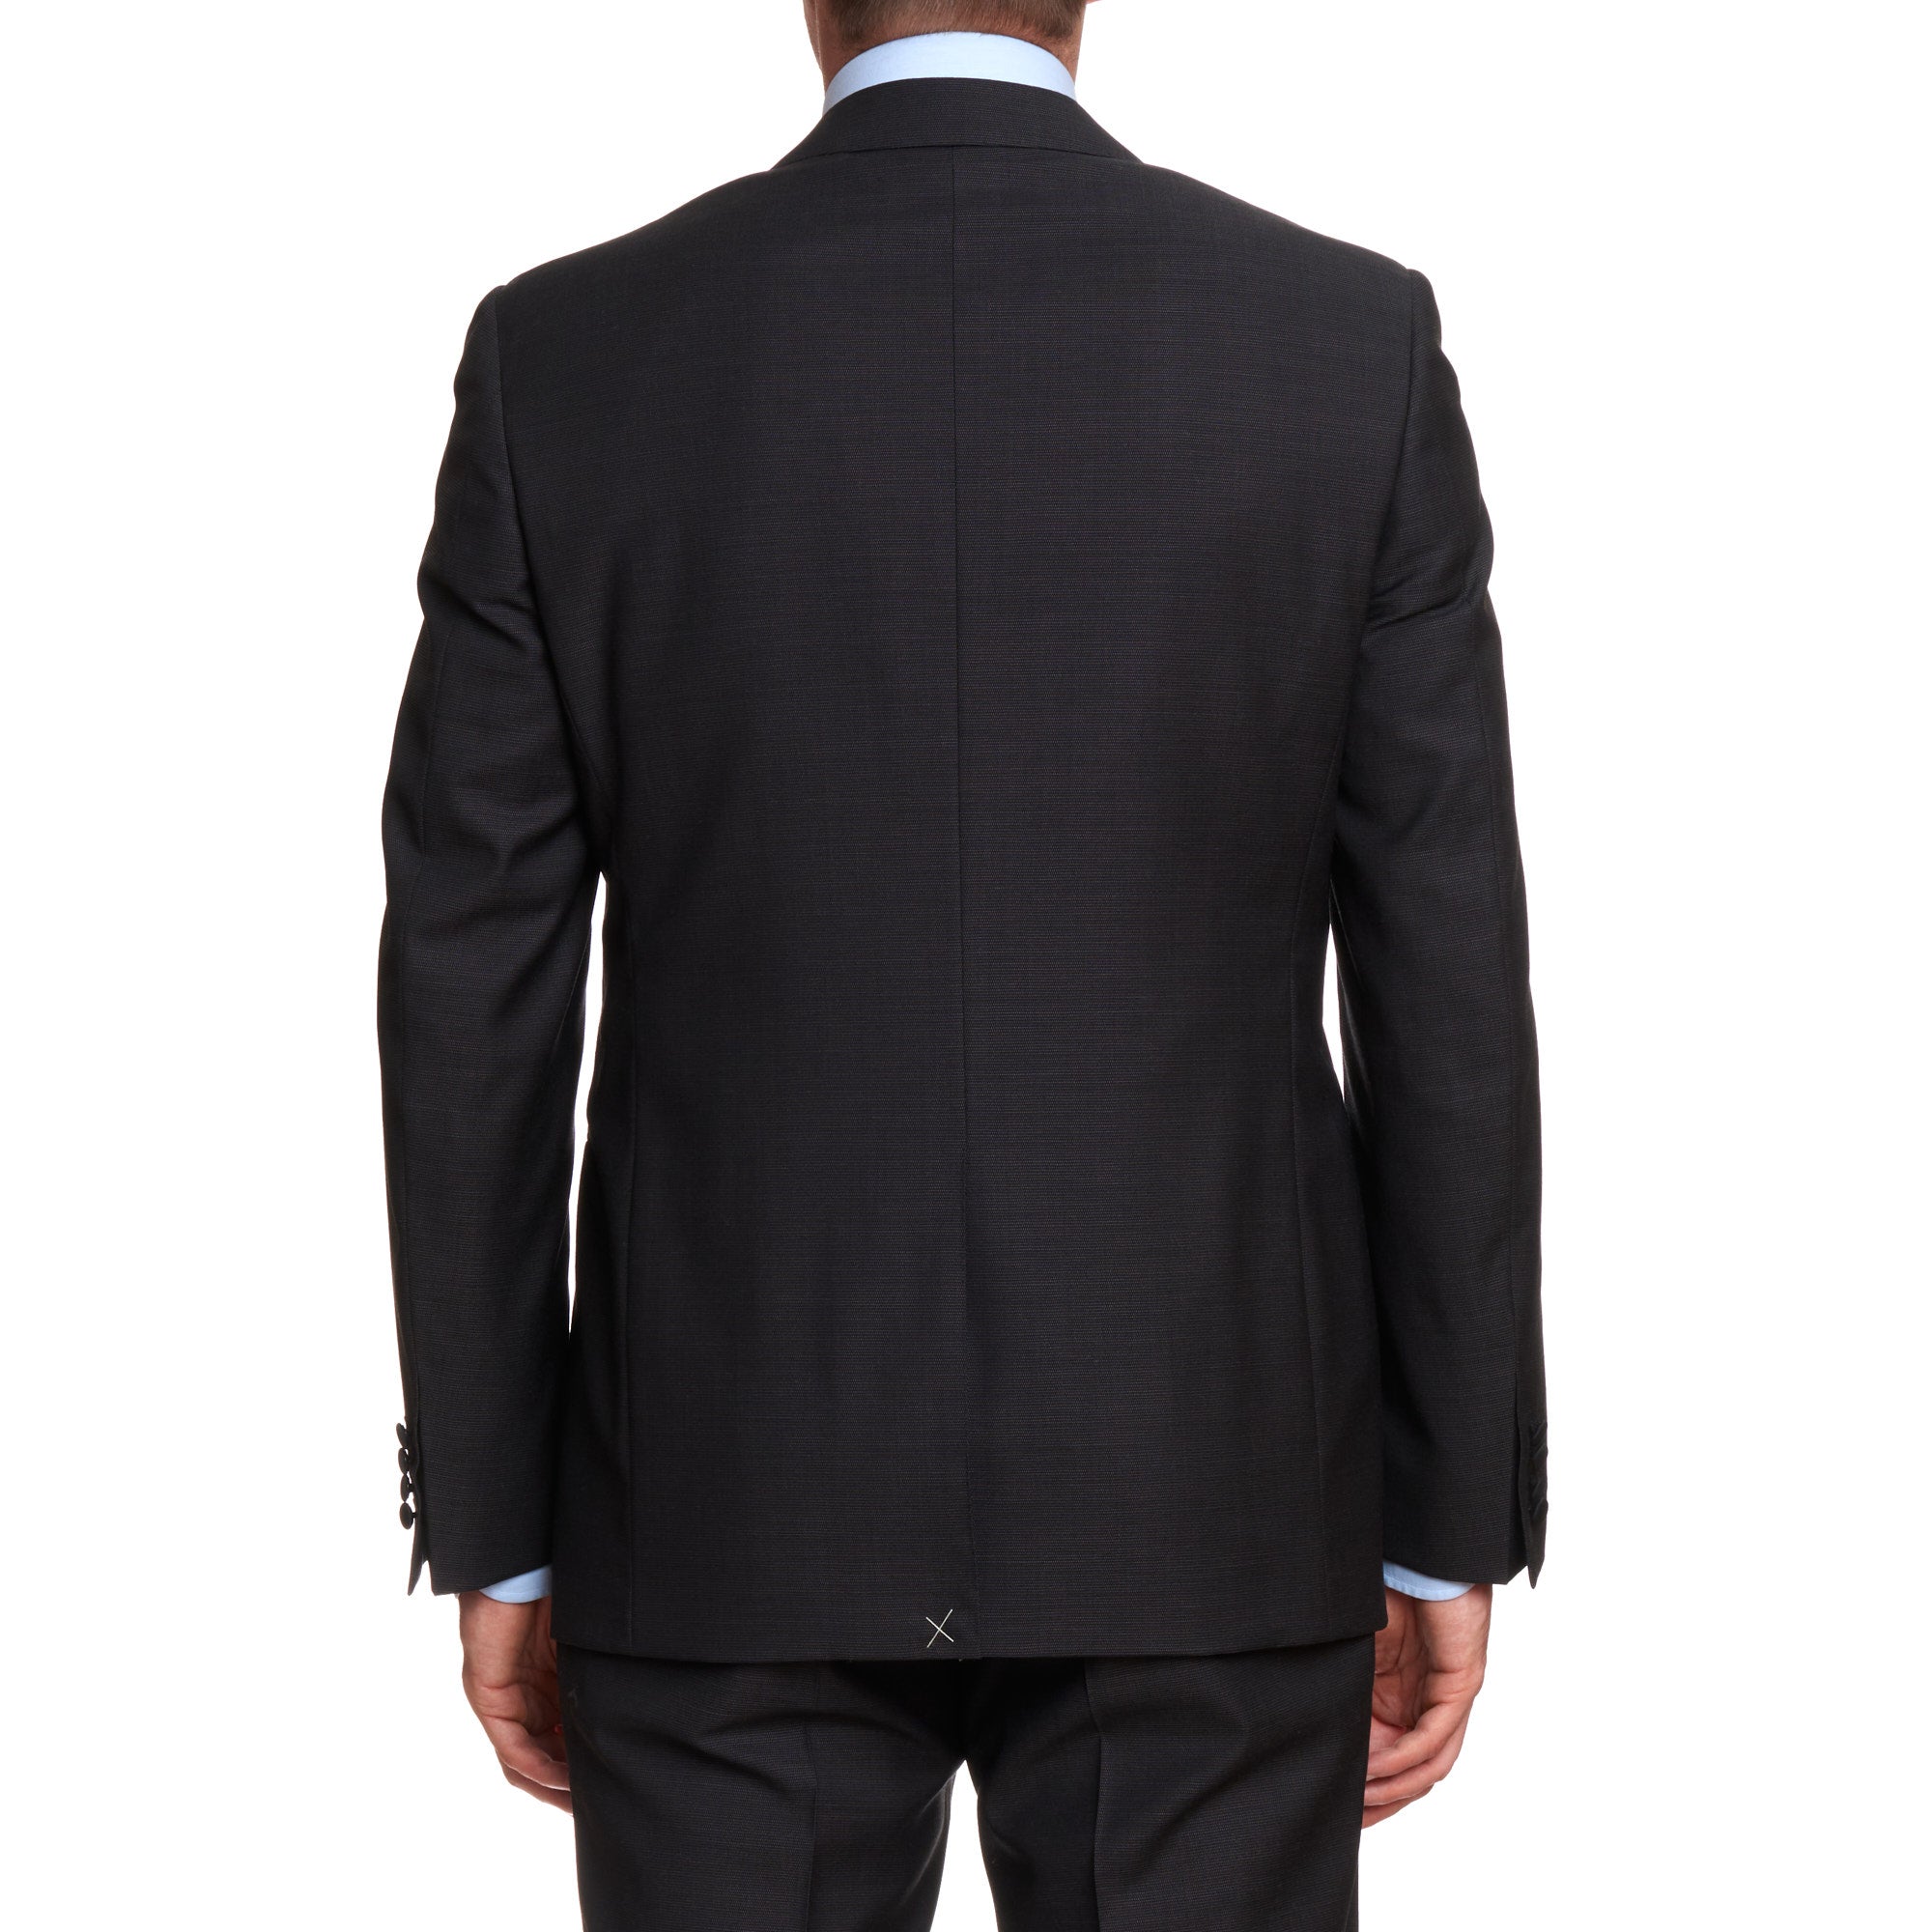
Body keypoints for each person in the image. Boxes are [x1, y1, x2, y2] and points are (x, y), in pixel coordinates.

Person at [378, 2, 1546, 1923]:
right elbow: (1447, 982)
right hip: (1206, 1492)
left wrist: (503, 1525)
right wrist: (1444, 1514)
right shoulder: (1342, 342)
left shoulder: (568, 356)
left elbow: (469, 990)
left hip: (724, 1495)